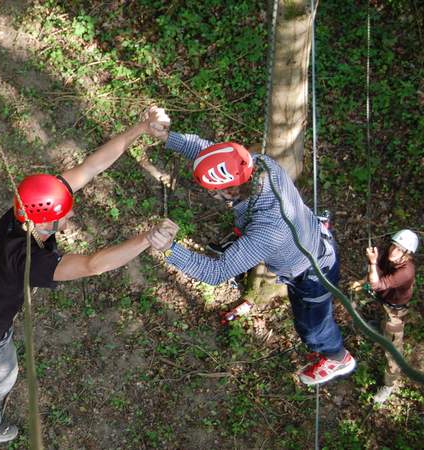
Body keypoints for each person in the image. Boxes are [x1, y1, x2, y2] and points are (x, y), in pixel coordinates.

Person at [0, 108, 178, 443]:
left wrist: (140, 127)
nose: (70, 216)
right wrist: (146, 240)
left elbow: (91, 167)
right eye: (65, 216)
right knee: (1, 378)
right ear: (43, 221)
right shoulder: (27, 260)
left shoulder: (22, 212)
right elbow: (92, 265)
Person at [146, 107, 356, 386]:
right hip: (311, 242)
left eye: (213, 191)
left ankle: (337, 358)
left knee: (312, 330)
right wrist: (169, 137)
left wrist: (171, 249)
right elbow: (211, 152)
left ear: (230, 191)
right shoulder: (259, 164)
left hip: (311, 275)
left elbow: (216, 272)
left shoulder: (269, 229)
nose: (212, 194)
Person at [365, 229, 418, 404]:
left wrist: (372, 264)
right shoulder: (389, 253)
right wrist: (374, 264)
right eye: (394, 246)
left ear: (408, 254)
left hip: (395, 311)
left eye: (399, 250)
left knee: (393, 350)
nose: (393, 252)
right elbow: (376, 275)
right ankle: (381, 327)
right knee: (383, 321)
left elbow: (376, 284)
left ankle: (389, 384)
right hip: (386, 302)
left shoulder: (406, 271)